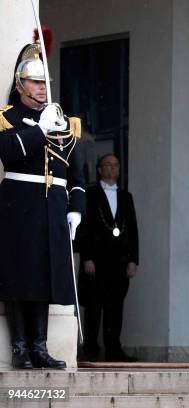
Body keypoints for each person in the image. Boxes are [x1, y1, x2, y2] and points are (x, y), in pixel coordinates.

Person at [0, 39, 85, 369]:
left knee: (45, 278)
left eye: (44, 83)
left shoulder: (63, 119)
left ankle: (40, 346)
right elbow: (8, 152)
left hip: (52, 207)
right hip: (19, 205)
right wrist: (40, 130)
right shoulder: (8, 117)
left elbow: (75, 170)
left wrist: (77, 206)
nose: (41, 89)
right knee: (20, 277)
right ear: (21, 85)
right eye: (35, 82)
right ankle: (20, 348)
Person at [77, 154, 139, 362]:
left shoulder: (126, 197)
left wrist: (133, 260)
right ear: (99, 170)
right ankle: (91, 350)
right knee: (94, 307)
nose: (112, 169)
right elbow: (84, 228)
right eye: (107, 165)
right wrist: (86, 257)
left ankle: (114, 350)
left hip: (119, 262)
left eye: (115, 165)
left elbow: (132, 230)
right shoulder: (89, 194)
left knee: (115, 308)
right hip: (95, 261)